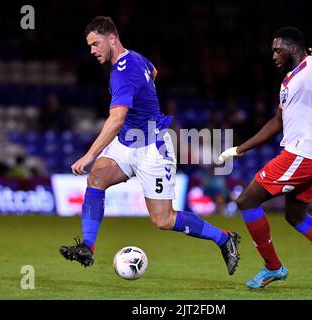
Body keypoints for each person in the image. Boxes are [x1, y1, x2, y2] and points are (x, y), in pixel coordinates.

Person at [59, 16, 241, 275]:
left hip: (152, 148)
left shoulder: (123, 72)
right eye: (89, 46)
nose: (92, 51)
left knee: (164, 220)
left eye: (96, 44)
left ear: (111, 38)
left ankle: (225, 239)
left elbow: (117, 118)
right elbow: (153, 72)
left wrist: (89, 155)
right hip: (127, 143)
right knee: (96, 179)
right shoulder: (135, 58)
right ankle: (87, 246)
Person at [217, 27, 312, 292]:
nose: (274, 55)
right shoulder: (287, 80)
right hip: (311, 153)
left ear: (294, 48)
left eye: (278, 49)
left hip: (303, 152)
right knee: (295, 216)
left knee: (246, 200)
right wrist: (239, 149)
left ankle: (273, 267)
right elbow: (277, 123)